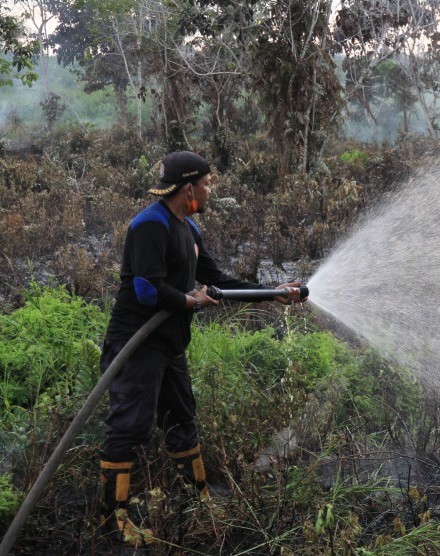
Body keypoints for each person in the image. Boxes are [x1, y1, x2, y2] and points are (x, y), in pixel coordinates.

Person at [98, 151, 305, 546]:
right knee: (130, 428)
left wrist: (271, 294)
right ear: (188, 188)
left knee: (182, 417)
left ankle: (199, 498)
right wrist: (192, 302)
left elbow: (216, 278)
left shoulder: (189, 229)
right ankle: (114, 520)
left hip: (171, 344)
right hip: (136, 346)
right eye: (208, 184)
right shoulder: (149, 225)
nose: (210, 191)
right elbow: (146, 289)